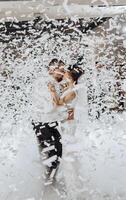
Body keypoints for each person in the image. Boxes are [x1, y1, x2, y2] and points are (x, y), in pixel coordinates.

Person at [48, 64, 87, 198]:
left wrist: (52, 91)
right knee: (65, 153)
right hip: (67, 123)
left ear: (70, 77)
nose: (63, 74)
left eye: (66, 74)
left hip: (68, 125)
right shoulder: (70, 89)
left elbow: (58, 104)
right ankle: (68, 185)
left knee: (67, 154)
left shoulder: (72, 92)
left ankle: (71, 188)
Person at [31, 58, 68, 185]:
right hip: (42, 122)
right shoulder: (44, 83)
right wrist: (55, 96)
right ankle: (47, 182)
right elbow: (50, 107)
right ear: (52, 70)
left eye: (64, 70)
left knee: (58, 152)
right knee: (50, 154)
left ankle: (51, 179)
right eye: (61, 70)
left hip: (51, 122)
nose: (63, 73)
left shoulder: (55, 83)